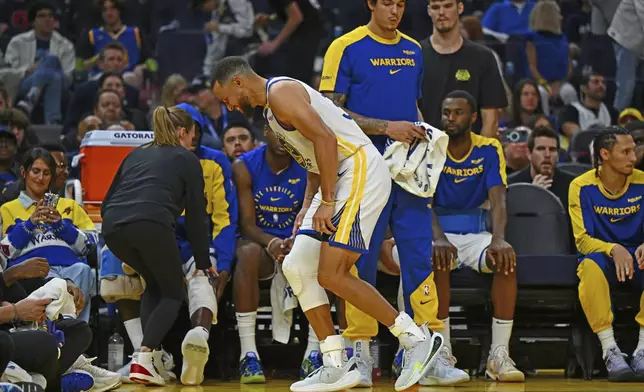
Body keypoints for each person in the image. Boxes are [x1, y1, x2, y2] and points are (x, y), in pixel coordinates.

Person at [212, 56, 442, 392]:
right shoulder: (271, 112)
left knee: (331, 273)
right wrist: (307, 206)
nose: (229, 106)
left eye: (226, 98)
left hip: (358, 169)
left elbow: (327, 141)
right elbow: (312, 155)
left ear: (238, 82)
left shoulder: (281, 92)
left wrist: (329, 202)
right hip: (335, 178)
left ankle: (415, 339)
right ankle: (336, 362)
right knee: (296, 265)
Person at [319, 0, 441, 386]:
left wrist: (422, 143)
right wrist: (386, 127)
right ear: (371, 3)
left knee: (420, 256)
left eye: (401, 4)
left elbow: (413, 105)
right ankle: (359, 354)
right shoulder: (345, 47)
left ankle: (429, 350)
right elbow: (327, 112)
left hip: (406, 173)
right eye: (387, 2)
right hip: (362, 171)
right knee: (359, 260)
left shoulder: (414, 49)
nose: (395, 11)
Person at [101, 106, 213, 386]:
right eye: (192, 135)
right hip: (151, 224)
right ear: (183, 133)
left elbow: (105, 204)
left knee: (155, 284)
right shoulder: (187, 158)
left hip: (113, 229)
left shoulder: (136, 154)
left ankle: (151, 360)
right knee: (174, 292)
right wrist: (201, 263)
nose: (193, 142)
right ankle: (144, 357)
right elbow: (198, 216)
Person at [431, 90, 523, 383]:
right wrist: (439, 238)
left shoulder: (489, 148)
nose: (450, 118)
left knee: (505, 258)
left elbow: (499, 199)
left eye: (457, 113)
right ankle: (443, 352)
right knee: (439, 257)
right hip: (439, 232)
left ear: (472, 117)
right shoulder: (432, 146)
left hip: (475, 234)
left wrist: (498, 238)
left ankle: (499, 355)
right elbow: (424, 200)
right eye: (446, 113)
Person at [232, 124, 310, 383]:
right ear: (265, 131)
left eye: (289, 130)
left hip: (299, 242)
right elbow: (247, 225)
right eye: (277, 130)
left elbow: (313, 216)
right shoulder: (245, 166)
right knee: (247, 254)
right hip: (262, 243)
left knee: (325, 253)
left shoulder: (309, 165)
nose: (282, 137)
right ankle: (248, 354)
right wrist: (273, 242)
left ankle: (316, 352)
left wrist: (295, 243)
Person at [570, 127, 644, 381]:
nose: (633, 157)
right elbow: (582, 241)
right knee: (588, 267)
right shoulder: (580, 186)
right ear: (604, 154)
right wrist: (613, 248)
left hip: (638, 257)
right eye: (625, 151)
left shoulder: (643, 181)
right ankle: (610, 350)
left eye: (633, 150)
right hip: (602, 257)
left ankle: (643, 350)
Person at [421, 0, 508, 138]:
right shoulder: (415, 56)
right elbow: (411, 111)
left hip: (471, 154)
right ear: (429, 10)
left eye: (448, 6)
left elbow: (490, 120)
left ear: (460, 7)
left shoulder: (483, 57)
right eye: (436, 7)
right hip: (426, 154)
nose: (441, 12)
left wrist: (478, 157)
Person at [508, 126, 576, 207]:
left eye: (552, 150)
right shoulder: (512, 185)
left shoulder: (573, 186)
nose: (547, 155)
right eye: (541, 149)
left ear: (558, 156)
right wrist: (532, 195)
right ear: (529, 154)